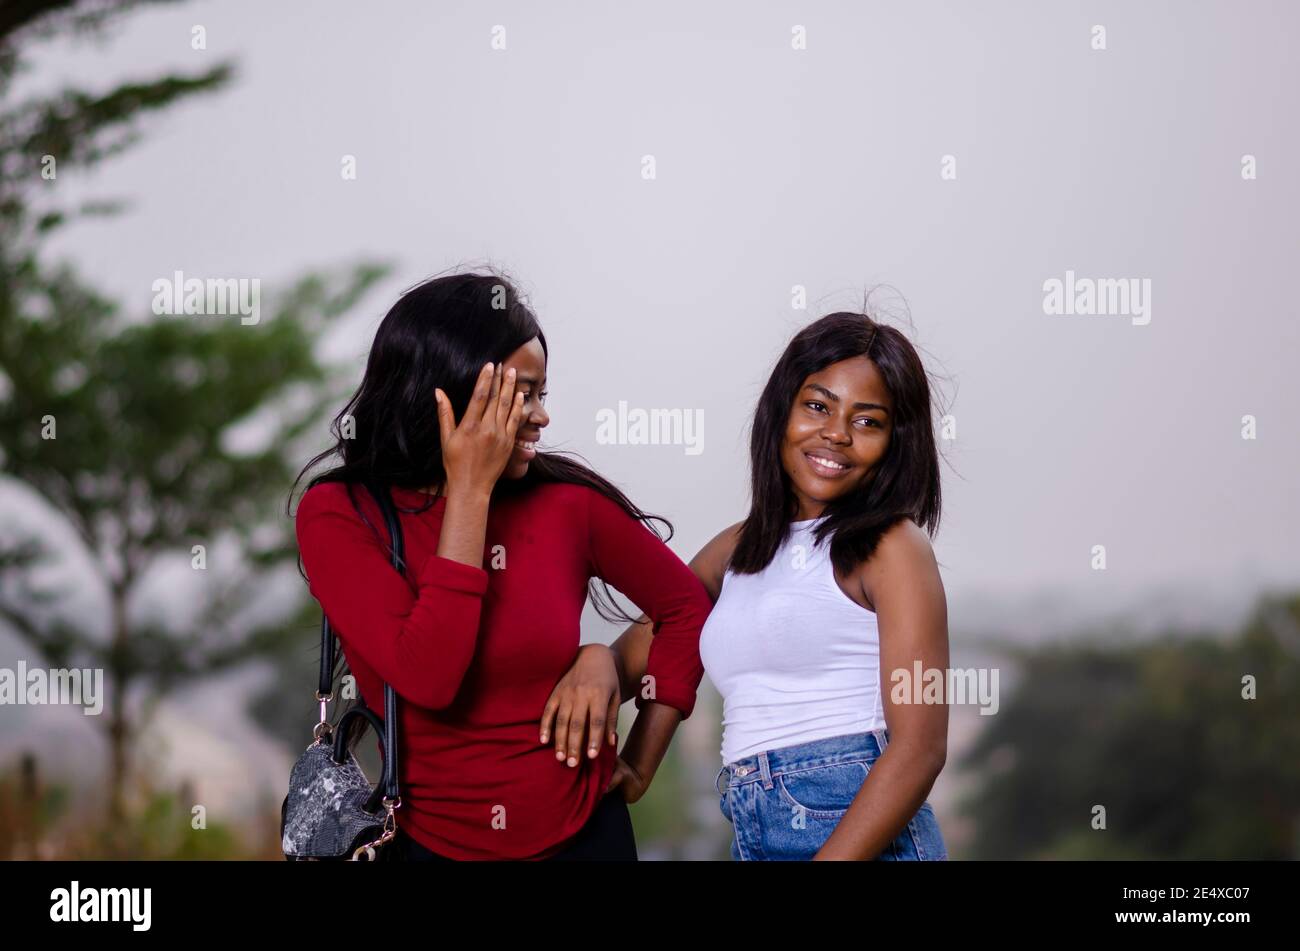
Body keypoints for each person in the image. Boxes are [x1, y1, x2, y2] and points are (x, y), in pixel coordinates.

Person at [291, 271, 711, 860]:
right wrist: (470, 492)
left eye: (543, 394)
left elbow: (686, 605)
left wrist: (637, 754)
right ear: (450, 394)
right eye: (523, 394)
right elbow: (429, 677)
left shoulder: (567, 505)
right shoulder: (338, 513)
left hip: (586, 839)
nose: (541, 417)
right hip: (425, 846)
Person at [547, 311, 949, 860]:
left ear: (894, 442)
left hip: (861, 830)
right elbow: (651, 646)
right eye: (817, 405)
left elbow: (920, 750)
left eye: (868, 421)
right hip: (752, 822)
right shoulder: (734, 550)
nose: (836, 433)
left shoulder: (894, 549)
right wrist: (600, 664)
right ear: (781, 408)